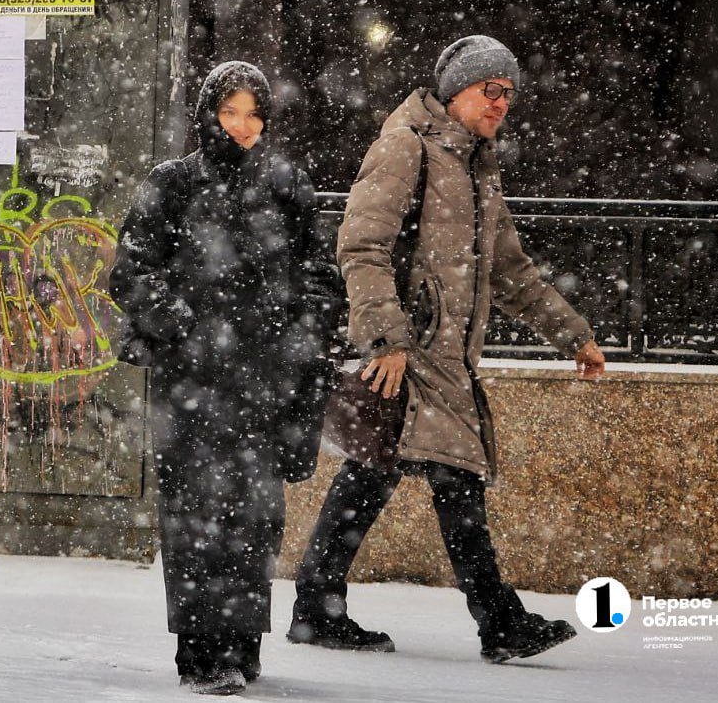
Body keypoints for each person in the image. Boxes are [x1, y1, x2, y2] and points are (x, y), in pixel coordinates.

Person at [288, 35, 607, 664]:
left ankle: (315, 607)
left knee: (375, 474)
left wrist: (575, 334)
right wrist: (386, 339)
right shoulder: (408, 145)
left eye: (510, 94)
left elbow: (511, 272)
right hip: (407, 355)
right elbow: (361, 245)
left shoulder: (477, 166)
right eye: (491, 90)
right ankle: (499, 621)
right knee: (452, 481)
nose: (501, 104)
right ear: (457, 88)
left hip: (445, 359)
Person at [110, 61, 342, 695]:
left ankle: (243, 643)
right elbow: (130, 273)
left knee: (255, 518)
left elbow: (322, 278)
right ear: (209, 113)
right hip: (192, 385)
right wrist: (188, 323)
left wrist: (299, 339)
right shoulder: (172, 183)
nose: (242, 127)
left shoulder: (288, 185)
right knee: (194, 517)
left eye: (254, 114)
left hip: (265, 385)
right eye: (230, 112)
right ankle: (201, 650)